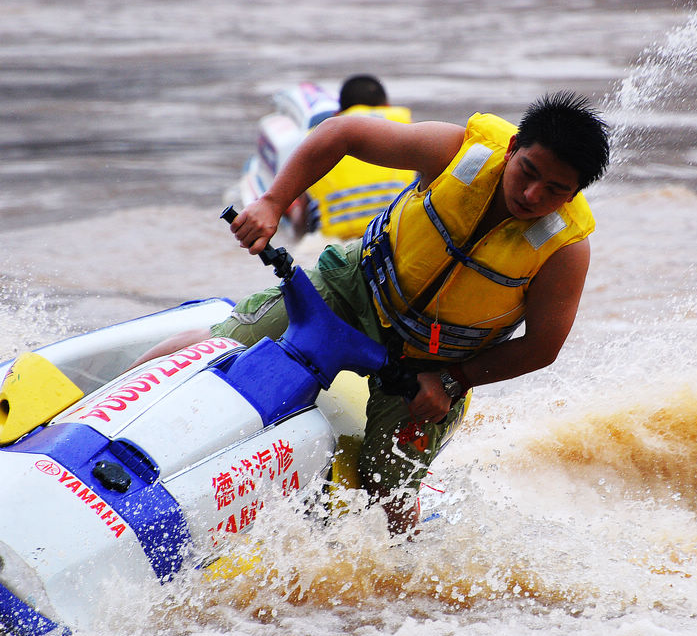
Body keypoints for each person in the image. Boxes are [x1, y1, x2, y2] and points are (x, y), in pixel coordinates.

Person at [139, 91, 610, 536]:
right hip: (354, 290)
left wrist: (452, 380)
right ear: (511, 149)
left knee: (388, 489)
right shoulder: (456, 150)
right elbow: (343, 133)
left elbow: (543, 347)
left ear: (572, 195)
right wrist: (273, 202)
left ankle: (403, 592)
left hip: (430, 364)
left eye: (554, 190)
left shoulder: (564, 250)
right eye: (527, 171)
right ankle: (97, 407)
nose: (531, 195)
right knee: (221, 347)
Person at [286, 75, 416, 239]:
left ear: (337, 113)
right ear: (387, 106)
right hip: (397, 233)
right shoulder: (407, 125)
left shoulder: (319, 138)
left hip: (337, 244)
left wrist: (291, 212)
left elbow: (300, 225)